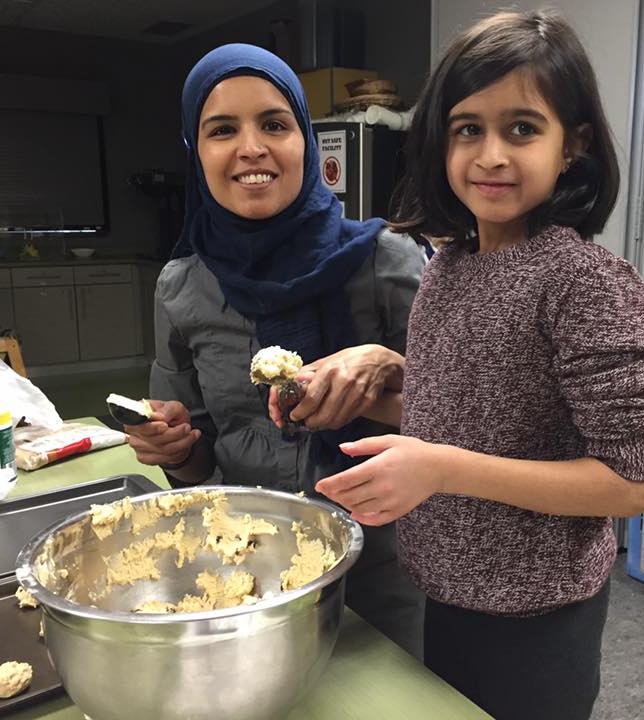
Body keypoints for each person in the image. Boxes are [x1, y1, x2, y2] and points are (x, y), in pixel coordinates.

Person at [314, 9, 644, 719]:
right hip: (444, 593)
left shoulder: (585, 282)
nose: (491, 155)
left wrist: (440, 468)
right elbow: (452, 414)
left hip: (539, 619)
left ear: (574, 145)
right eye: (468, 128)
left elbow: (629, 485)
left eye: (522, 129)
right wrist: (355, 396)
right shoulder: (448, 267)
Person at [123, 43, 426, 658]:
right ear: (195, 151)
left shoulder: (388, 263)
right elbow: (199, 462)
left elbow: (468, 421)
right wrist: (174, 448)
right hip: (245, 575)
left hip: (386, 574)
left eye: (274, 123)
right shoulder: (181, 288)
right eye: (221, 130)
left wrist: (390, 367)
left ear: (306, 142)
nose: (251, 147)